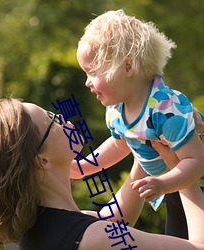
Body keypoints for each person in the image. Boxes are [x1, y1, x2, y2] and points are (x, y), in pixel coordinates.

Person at [0, 98, 204, 250]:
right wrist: (180, 165)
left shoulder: (30, 232)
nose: (63, 118)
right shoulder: (92, 238)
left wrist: (144, 138)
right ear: (42, 160)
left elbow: (114, 222)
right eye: (52, 120)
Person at [73, 9, 204, 239]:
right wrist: (82, 167)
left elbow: (196, 160)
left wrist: (163, 184)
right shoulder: (116, 110)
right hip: (174, 190)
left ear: (127, 67)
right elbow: (120, 145)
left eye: (92, 72)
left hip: (193, 186)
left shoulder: (164, 109)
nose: (86, 83)